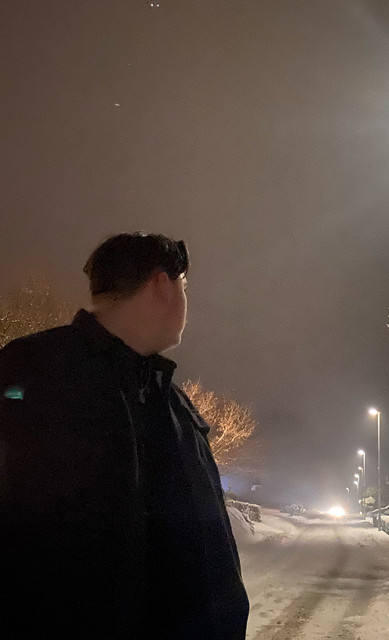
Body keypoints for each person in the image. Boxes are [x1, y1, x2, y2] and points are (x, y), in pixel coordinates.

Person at [0, 233, 249, 640]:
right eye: (185, 287)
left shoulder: (170, 402)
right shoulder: (34, 372)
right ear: (162, 285)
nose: (186, 302)